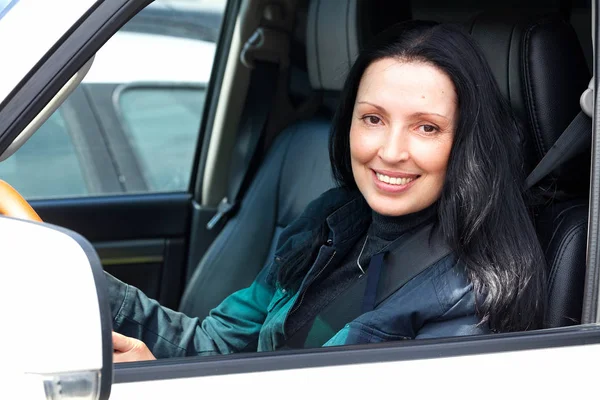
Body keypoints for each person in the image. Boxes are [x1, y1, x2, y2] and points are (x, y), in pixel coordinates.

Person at [107, 21, 546, 362]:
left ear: (467, 142)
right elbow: (215, 345)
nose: (390, 152)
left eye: (426, 127)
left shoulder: (471, 302)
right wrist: (86, 287)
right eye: (373, 119)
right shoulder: (331, 221)